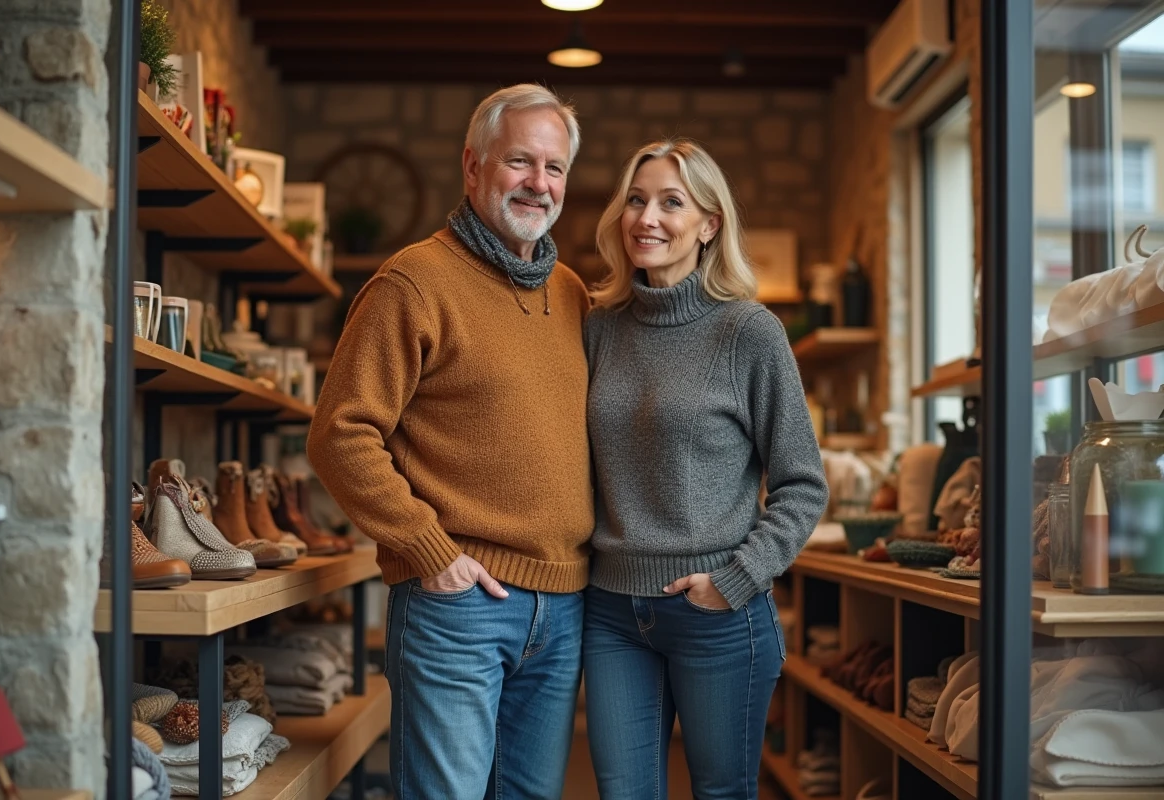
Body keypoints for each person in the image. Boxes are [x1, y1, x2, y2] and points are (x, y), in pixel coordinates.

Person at [307, 85, 593, 799]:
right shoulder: (412, 282)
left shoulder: (575, 293)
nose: (539, 183)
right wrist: (429, 551)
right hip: (458, 605)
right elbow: (340, 434)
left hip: (561, 607)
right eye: (519, 162)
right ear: (473, 167)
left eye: (554, 168)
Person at [582, 139, 829, 799]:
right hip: (610, 612)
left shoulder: (749, 332)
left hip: (716, 613)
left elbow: (804, 485)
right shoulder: (599, 328)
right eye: (636, 200)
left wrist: (737, 579)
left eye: (670, 202)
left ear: (709, 224)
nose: (646, 218)